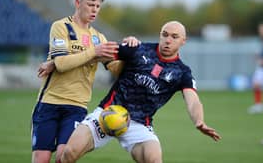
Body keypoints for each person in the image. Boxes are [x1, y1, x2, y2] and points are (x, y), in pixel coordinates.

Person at [60, 21, 222, 163]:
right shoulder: (138, 49)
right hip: (108, 112)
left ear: (183, 41)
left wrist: (199, 121)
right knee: (69, 153)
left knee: (154, 159)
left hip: (138, 124)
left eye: (174, 37)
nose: (168, 40)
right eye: (165, 35)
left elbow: (193, 100)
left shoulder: (182, 72)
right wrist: (57, 64)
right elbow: (101, 52)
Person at [31, 0, 139, 163]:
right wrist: (94, 53)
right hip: (49, 102)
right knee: (41, 159)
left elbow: (116, 69)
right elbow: (62, 63)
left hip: (76, 107)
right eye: (90, 4)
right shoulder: (61, 27)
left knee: (64, 157)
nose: (95, 10)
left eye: (98, 6)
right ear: (77, 3)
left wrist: (131, 51)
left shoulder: (99, 37)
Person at [248, 23, 263, 114]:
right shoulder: (260, 41)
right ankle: (258, 105)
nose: (260, 31)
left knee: (256, 84)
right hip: (261, 68)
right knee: (256, 84)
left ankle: (258, 105)